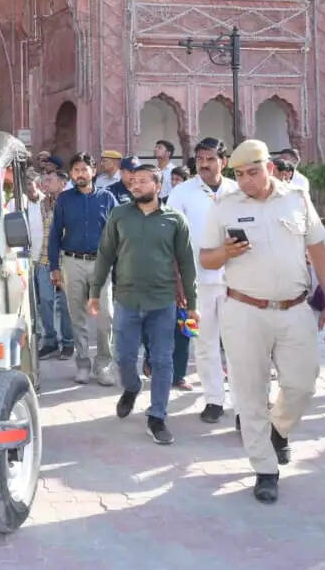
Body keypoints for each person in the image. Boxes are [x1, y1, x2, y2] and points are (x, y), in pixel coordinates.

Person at [199, 139, 325, 505]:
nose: (246, 181)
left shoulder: (297, 199)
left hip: (295, 308)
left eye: (253, 172)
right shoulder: (224, 207)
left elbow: (318, 248)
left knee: (303, 385)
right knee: (250, 392)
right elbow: (206, 259)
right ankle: (265, 469)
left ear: (270, 168)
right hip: (244, 310)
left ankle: (279, 429)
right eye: (239, 174)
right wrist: (225, 252)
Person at [89, 164, 197, 445]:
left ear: (157, 186)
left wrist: (193, 302)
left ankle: (157, 416)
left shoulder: (175, 219)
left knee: (162, 360)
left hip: (163, 302)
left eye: (141, 181)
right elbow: (105, 254)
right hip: (127, 300)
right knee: (123, 356)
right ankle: (132, 387)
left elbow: (186, 262)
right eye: (132, 181)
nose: (134, 185)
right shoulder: (119, 215)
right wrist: (94, 291)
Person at [166, 137, 239, 423]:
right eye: (200, 159)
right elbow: (170, 239)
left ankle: (243, 404)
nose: (205, 164)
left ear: (224, 161)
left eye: (210, 158)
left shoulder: (237, 190)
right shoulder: (182, 193)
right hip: (197, 282)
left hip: (238, 281)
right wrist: (178, 282)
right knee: (204, 342)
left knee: (238, 344)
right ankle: (213, 400)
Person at [48, 152, 115, 385]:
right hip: (72, 262)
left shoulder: (107, 199)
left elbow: (117, 235)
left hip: (101, 264)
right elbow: (55, 234)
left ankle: (103, 365)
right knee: (77, 316)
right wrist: (54, 267)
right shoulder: (65, 200)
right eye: (75, 170)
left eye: (84, 169)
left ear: (93, 172)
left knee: (106, 317)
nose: (80, 174)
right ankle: (83, 364)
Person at [35, 171, 75, 360]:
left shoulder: (71, 202)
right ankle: (50, 341)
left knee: (66, 305)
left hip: (65, 261)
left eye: (50, 180)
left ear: (63, 182)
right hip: (44, 260)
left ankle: (68, 343)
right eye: (44, 180)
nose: (45, 183)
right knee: (46, 302)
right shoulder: (43, 203)